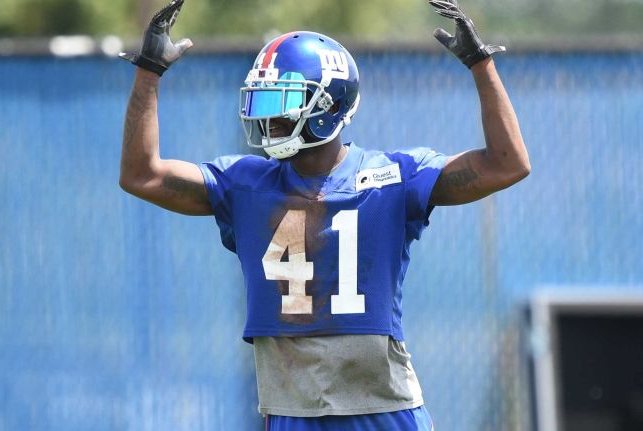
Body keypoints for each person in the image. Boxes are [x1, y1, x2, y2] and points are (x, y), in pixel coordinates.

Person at [118, 0, 530, 429]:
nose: (269, 118)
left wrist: (481, 65)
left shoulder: (393, 178)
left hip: (383, 409)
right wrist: (148, 72)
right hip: (292, 410)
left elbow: (508, 163)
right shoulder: (244, 183)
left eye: (284, 102)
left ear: (329, 106)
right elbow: (141, 175)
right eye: (263, 103)